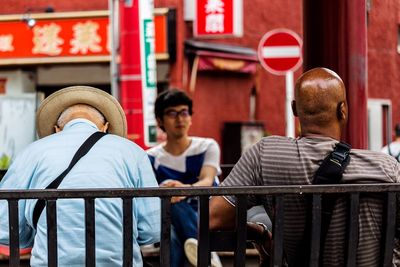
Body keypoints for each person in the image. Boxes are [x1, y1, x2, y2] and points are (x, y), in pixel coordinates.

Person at [209, 68, 400, 266]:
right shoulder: (386, 168)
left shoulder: (264, 154)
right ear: (343, 109)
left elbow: (213, 218)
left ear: (294, 109)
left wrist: (261, 233)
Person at [0, 86, 161, 266]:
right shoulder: (132, 151)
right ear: (105, 127)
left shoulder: (30, 152)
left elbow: (6, 228)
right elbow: (152, 230)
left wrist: (35, 234)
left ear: (57, 129)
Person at [147, 88, 222, 267]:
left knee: (170, 226)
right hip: (169, 218)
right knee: (169, 222)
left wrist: (182, 190)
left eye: (184, 112)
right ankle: (204, 254)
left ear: (190, 116)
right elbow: (149, 196)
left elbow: (207, 180)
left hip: (205, 211)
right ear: (160, 120)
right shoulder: (151, 157)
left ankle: (196, 244)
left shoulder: (207, 146)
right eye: (172, 113)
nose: (180, 119)